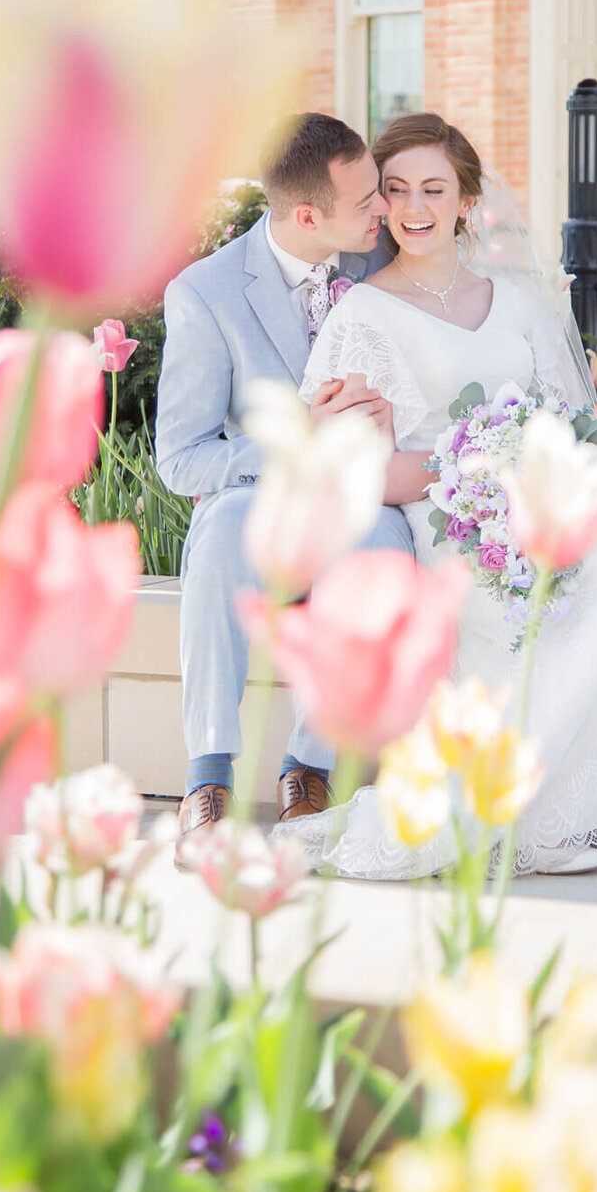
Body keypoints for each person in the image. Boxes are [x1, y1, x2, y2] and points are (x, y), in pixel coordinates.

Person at [289, 111, 597, 879]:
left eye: (434, 189)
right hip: (457, 528)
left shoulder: (514, 302)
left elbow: (570, 421)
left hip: (541, 504)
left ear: (466, 201)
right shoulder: (361, 315)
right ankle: (545, 817)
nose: (415, 207)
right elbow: (356, 473)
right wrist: (474, 473)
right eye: (398, 189)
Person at [155, 112, 415, 863]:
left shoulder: (378, 261)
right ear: (308, 216)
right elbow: (181, 458)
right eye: (368, 199)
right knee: (224, 533)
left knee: (385, 541)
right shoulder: (204, 293)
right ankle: (207, 777)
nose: (385, 210)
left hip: (360, 499)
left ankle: (312, 767)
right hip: (255, 497)